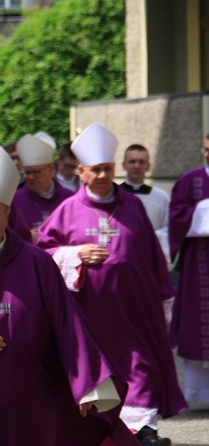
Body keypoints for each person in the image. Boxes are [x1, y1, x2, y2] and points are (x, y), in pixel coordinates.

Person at [0, 134, 137, 446]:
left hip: (31, 395)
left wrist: (89, 385)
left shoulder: (36, 263)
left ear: (8, 214)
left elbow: (68, 325)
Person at [37, 122, 187, 445]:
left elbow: (151, 253)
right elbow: (41, 255)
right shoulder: (66, 211)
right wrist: (74, 254)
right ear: (81, 171)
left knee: (140, 366)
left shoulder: (132, 206)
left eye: (108, 169)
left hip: (134, 308)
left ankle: (145, 431)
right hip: (88, 315)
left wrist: (165, 295)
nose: (103, 176)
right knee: (100, 375)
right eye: (96, 170)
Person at [167, 134, 209, 404]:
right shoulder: (190, 180)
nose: (208, 155)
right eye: (206, 149)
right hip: (200, 269)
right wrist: (203, 211)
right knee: (199, 326)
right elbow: (177, 215)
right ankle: (202, 394)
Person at [11, 133, 74, 244]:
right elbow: (6, 236)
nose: (30, 177)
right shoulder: (14, 200)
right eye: (27, 172)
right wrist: (25, 236)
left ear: (50, 169)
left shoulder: (70, 198)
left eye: (36, 172)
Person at [120, 144, 171, 264]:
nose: (136, 166)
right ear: (124, 165)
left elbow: (169, 228)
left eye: (141, 162)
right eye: (132, 161)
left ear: (148, 166)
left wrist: (150, 237)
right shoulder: (113, 194)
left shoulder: (161, 197)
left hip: (150, 257)